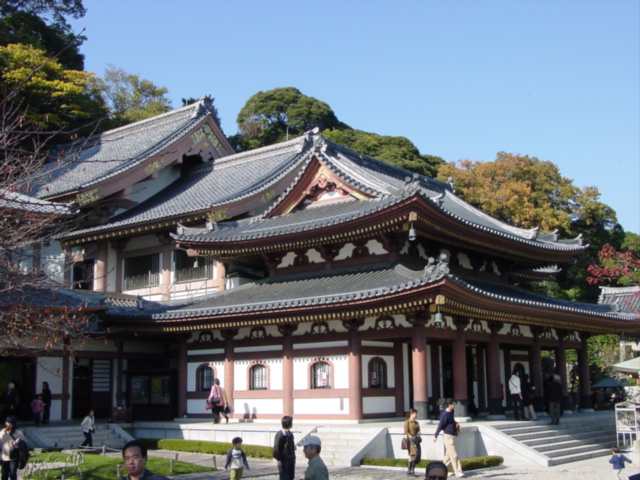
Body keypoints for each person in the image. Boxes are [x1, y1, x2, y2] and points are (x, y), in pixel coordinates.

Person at [433, 399, 464, 478]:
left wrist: (457, 425)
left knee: (448, 456)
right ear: (449, 405)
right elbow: (440, 425)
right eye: (453, 404)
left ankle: (439, 470)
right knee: (454, 455)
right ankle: (458, 472)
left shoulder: (451, 413)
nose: (454, 405)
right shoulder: (445, 414)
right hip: (448, 436)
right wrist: (435, 435)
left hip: (453, 436)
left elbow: (451, 422)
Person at [1, 416, 25, 480]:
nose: (7, 424)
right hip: (5, 457)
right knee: (4, 475)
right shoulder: (3, 432)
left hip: (14, 457)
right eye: (6, 422)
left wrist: (18, 442)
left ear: (13, 424)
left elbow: (24, 443)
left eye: (9, 423)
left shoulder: (18, 433)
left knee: (12, 474)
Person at [273, 415, 296, 480]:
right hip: (284, 460)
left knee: (291, 476)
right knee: (284, 477)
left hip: (291, 459)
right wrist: (278, 459)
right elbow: (276, 447)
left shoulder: (290, 434)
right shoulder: (280, 434)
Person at [403, 408, 421, 477]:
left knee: (413, 455)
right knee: (413, 454)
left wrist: (418, 433)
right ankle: (411, 470)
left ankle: (410, 470)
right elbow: (406, 431)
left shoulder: (416, 423)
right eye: (414, 414)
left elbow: (418, 430)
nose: (415, 415)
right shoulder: (407, 422)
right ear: (411, 414)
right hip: (410, 440)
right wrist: (410, 436)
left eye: (416, 414)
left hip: (416, 440)